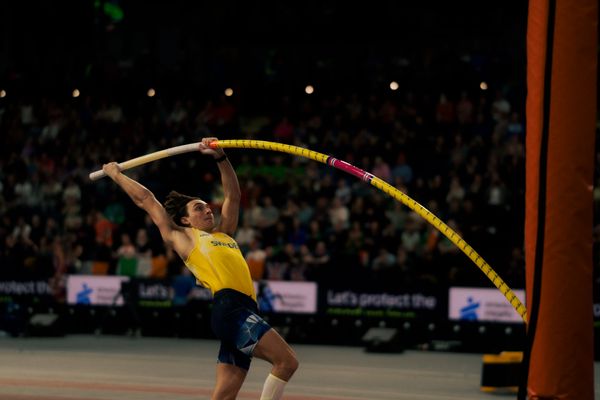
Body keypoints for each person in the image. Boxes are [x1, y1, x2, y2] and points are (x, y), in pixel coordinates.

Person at [102, 137, 298, 400]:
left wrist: (220, 156)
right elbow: (147, 200)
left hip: (245, 309)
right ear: (185, 219)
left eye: (207, 206)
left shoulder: (225, 233)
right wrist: (116, 174)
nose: (207, 210)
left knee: (224, 396)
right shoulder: (184, 238)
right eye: (198, 208)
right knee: (286, 362)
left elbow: (233, 195)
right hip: (230, 309)